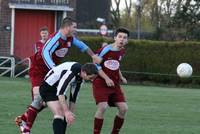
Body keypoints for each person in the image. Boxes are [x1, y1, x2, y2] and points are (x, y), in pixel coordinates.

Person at [15, 17, 101, 134]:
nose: (76, 29)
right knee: (38, 98)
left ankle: (23, 118)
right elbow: (45, 53)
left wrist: (93, 55)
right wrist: (54, 69)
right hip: (39, 69)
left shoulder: (70, 38)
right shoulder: (55, 38)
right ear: (67, 27)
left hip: (52, 72)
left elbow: (82, 46)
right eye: (74, 27)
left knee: (45, 102)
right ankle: (25, 128)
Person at [39, 62, 98, 134]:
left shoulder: (80, 78)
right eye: (91, 77)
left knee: (65, 115)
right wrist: (67, 112)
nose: (92, 80)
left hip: (57, 89)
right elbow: (60, 93)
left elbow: (73, 97)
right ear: (84, 72)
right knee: (60, 113)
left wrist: (70, 114)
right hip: (48, 87)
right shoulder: (71, 72)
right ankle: (31, 112)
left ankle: (29, 113)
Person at [92, 28, 129, 134]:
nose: (122, 39)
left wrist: (121, 77)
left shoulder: (122, 51)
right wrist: (106, 78)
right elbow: (95, 64)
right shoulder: (105, 50)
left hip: (114, 84)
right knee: (103, 107)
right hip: (101, 83)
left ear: (127, 40)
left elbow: (116, 65)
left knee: (123, 109)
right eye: (120, 37)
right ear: (115, 38)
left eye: (124, 38)